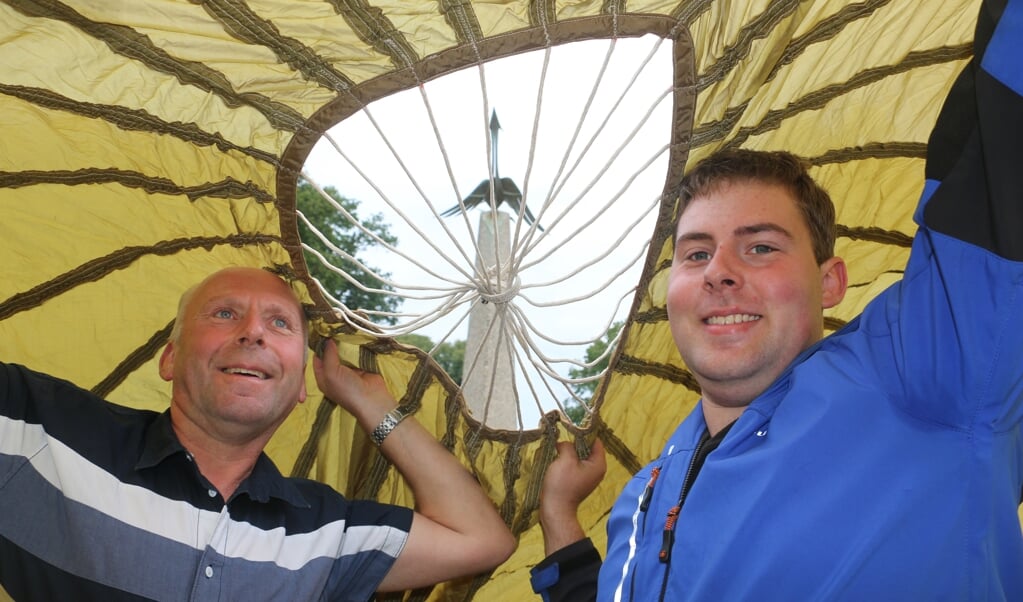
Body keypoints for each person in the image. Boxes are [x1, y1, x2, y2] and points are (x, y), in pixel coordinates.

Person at [531, 0, 1023, 599]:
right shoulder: (644, 493)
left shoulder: (924, 375)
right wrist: (559, 513)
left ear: (831, 281)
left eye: (760, 247)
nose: (719, 272)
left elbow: (1001, 152)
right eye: (695, 253)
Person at [0, 266, 515, 601]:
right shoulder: (42, 431)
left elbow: (481, 539)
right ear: (170, 358)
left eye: (281, 324)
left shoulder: (324, 532)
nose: (253, 332)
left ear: (299, 389)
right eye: (224, 313)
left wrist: (369, 402)